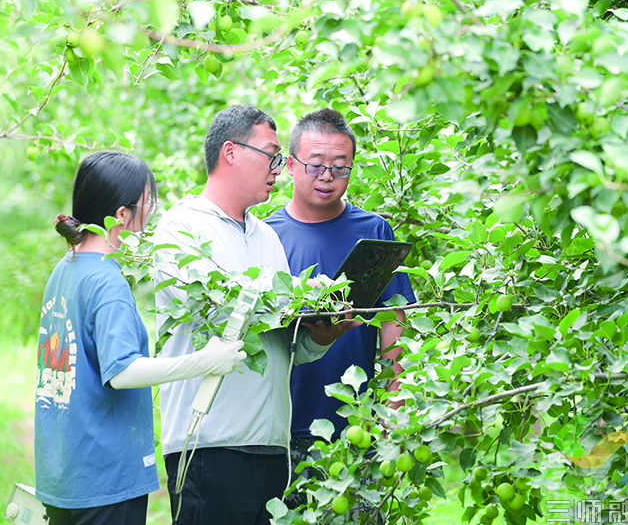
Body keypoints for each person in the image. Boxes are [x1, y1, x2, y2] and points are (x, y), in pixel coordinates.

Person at [152, 105, 358, 525]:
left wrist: (320, 335)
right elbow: (220, 309)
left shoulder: (266, 237)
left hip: (271, 447)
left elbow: (281, 345)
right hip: (211, 444)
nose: (278, 169)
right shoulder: (181, 227)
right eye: (271, 155)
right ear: (231, 152)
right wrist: (294, 300)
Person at [34, 151, 247, 525]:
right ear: (121, 214)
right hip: (106, 476)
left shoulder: (66, 268)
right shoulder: (107, 281)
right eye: (147, 203)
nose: (151, 214)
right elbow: (123, 372)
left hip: (62, 472)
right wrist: (205, 361)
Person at [264, 108, 416, 505]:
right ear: (291, 165)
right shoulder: (265, 235)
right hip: (282, 426)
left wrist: (394, 402)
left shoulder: (373, 231)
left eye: (340, 167)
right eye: (316, 165)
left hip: (356, 423)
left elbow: (394, 322)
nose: (327, 177)